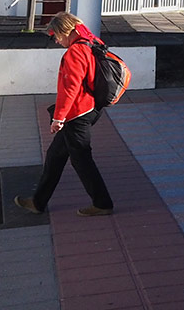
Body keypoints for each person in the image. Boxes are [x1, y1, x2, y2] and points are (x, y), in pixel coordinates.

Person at [13, 11, 114, 217]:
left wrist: (58, 118)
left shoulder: (75, 52)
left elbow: (70, 88)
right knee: (55, 155)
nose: (57, 41)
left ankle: (102, 203)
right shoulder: (91, 41)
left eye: (56, 36)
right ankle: (38, 202)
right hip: (91, 108)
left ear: (64, 31)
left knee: (82, 160)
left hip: (78, 113)